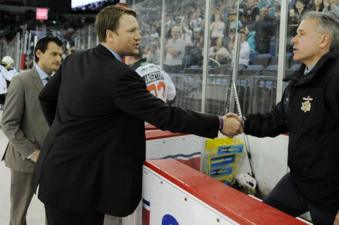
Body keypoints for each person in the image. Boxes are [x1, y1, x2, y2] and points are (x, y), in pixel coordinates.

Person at [31, 6, 242, 225]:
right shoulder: (120, 76)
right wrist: (218, 123)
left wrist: (64, 132)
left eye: (138, 30)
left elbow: (46, 97)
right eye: (131, 31)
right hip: (79, 184)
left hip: (57, 173)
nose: (139, 36)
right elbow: (164, 115)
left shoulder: (75, 60)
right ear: (110, 35)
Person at [229, 12, 339, 225]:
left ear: (323, 40)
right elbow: (277, 119)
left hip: (333, 194)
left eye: (301, 33)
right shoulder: (300, 82)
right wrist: (243, 123)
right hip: (298, 182)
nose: (293, 39)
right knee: (261, 220)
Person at [1, 37, 63, 225]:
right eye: (54, 54)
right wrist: (32, 152)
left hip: (53, 160)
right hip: (25, 159)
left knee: (55, 213)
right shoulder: (21, 81)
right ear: (39, 53)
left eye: (61, 55)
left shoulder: (59, 82)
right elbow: (9, 123)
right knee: (18, 215)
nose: (59, 59)